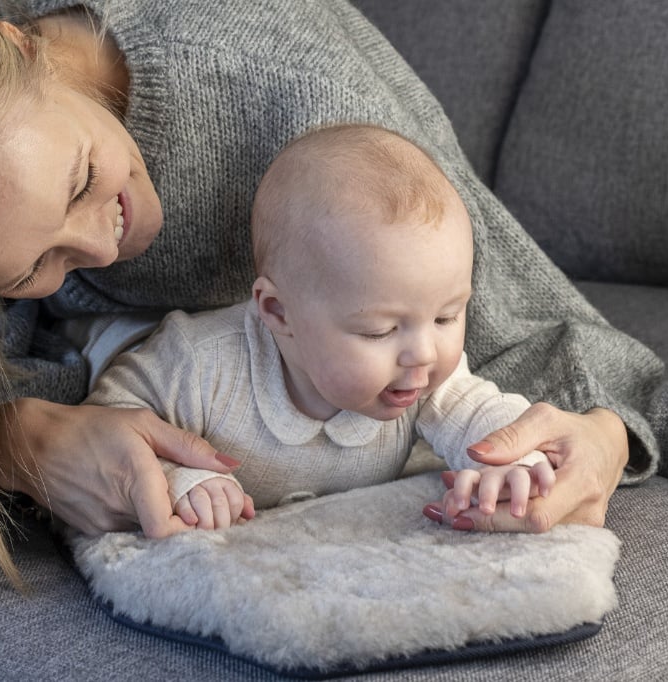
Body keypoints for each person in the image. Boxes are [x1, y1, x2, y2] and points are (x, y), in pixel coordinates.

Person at [0, 0, 661, 659]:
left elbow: (547, 332)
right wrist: (12, 436)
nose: (101, 240)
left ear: (26, 48)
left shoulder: (299, 90)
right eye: (33, 271)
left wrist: (602, 439)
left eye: (83, 176)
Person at [86, 124, 556, 529]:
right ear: (278, 312)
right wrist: (180, 475)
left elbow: (480, 414)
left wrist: (513, 461)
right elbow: (110, 418)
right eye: (379, 331)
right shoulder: (198, 364)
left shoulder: (422, 374)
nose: (425, 353)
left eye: (446, 316)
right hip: (106, 328)